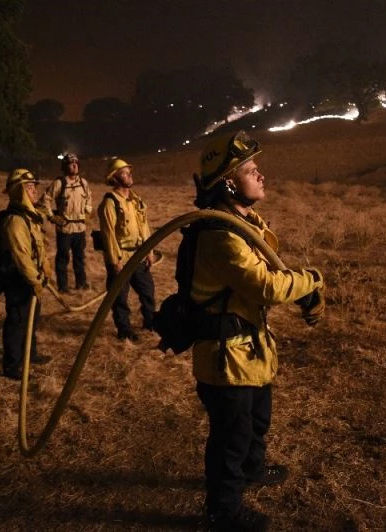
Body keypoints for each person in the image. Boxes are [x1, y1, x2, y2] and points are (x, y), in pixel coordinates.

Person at [189, 131, 325, 531]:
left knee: (256, 422)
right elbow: (266, 286)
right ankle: (223, 512)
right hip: (225, 358)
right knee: (231, 437)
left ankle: (253, 471)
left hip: (248, 351)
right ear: (229, 182)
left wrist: (302, 288)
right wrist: (312, 280)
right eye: (250, 170)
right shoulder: (219, 236)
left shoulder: (244, 223)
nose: (261, 175)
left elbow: (271, 268)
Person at [0, 168, 52, 380]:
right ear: (19, 191)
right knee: (17, 322)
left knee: (32, 318)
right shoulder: (15, 222)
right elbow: (22, 256)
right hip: (19, 281)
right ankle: (12, 366)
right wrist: (35, 280)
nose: (34, 192)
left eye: (34, 187)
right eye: (29, 188)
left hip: (32, 280)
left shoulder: (29, 217)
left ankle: (30, 355)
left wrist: (43, 275)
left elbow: (38, 247)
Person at [97, 158, 156, 341]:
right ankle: (124, 330)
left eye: (128, 171)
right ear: (114, 177)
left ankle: (150, 321)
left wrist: (149, 252)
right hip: (122, 258)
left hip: (139, 255)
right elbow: (108, 234)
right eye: (123, 172)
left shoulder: (135, 200)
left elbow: (144, 227)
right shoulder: (110, 202)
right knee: (120, 297)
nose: (129, 174)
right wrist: (115, 261)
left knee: (147, 291)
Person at [37, 152, 93, 293]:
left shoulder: (83, 183)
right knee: (63, 258)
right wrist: (51, 217)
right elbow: (46, 200)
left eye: (76, 163)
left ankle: (81, 283)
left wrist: (86, 212)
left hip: (79, 227)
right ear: (65, 166)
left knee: (79, 257)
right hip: (65, 228)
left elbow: (89, 200)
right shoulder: (59, 183)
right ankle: (63, 287)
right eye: (70, 163)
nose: (74, 166)